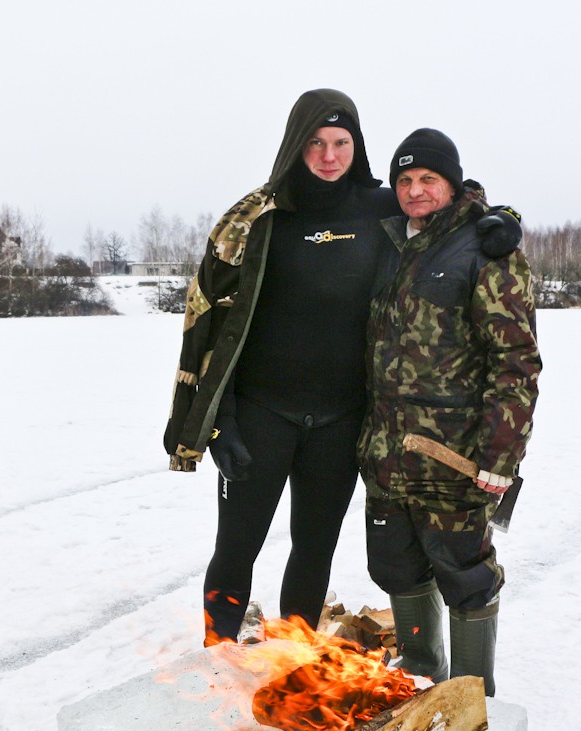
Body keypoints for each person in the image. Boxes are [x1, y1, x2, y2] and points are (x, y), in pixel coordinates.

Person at [163, 90, 523, 646]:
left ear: (356, 147)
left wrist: (500, 219)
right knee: (237, 546)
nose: (329, 156)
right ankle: (218, 651)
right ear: (294, 146)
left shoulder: (379, 206)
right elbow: (215, 323)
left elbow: (446, 202)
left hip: (341, 420)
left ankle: (295, 661)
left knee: (314, 546)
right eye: (315, 143)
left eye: (340, 143)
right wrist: (222, 418)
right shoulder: (259, 218)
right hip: (262, 412)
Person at [357, 128, 541, 695]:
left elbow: (515, 362)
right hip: (388, 454)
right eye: (405, 180)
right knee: (395, 568)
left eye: (428, 179)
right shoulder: (388, 244)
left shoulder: (486, 247)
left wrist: (500, 455)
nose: (415, 190)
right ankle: (418, 676)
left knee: (466, 577)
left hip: (454, 456)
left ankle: (469, 695)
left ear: (451, 183)